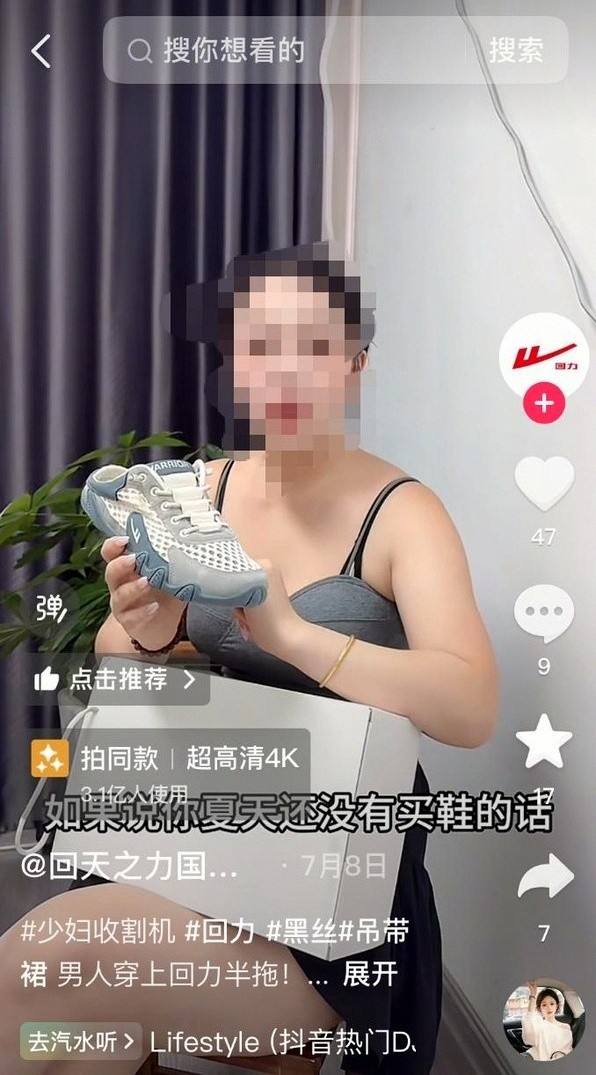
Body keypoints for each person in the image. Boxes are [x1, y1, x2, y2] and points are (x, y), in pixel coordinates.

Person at [0, 243, 498, 1074]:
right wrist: (146, 626)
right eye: (260, 345)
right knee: (57, 1032)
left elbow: (472, 705)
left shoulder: (404, 514)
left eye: (313, 345)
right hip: (201, 841)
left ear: (356, 364)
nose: (284, 371)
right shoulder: (201, 491)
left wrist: (295, 635)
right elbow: (120, 660)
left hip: (329, 905)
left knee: (41, 963)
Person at [521, 983, 573, 1061]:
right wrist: (533, 995)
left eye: (552, 1004)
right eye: (544, 1005)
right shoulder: (538, 1025)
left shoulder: (565, 1027)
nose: (549, 1007)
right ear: (539, 1008)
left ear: (557, 1005)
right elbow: (529, 1019)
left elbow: (567, 1050)